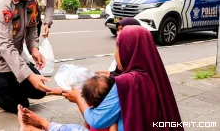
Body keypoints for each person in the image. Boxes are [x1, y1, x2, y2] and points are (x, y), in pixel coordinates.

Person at [19, 26, 184, 131]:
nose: (116, 53)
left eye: (118, 47)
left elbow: (96, 120)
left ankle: (39, 126)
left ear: (128, 50)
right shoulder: (153, 76)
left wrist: (77, 98)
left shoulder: (128, 82)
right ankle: (41, 125)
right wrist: (61, 91)